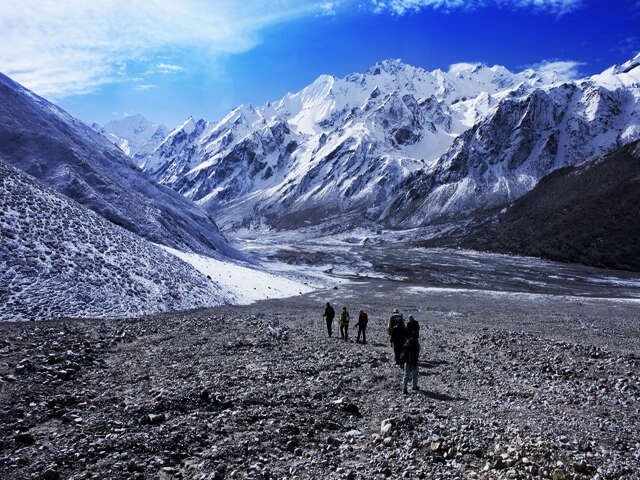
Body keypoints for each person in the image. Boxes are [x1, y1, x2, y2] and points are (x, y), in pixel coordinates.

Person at [402, 326, 420, 394]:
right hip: (414, 361)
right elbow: (417, 353)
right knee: (415, 374)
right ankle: (414, 386)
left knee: (406, 375)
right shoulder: (416, 343)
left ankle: (404, 388)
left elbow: (403, 351)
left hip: (407, 361)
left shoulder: (407, 343)